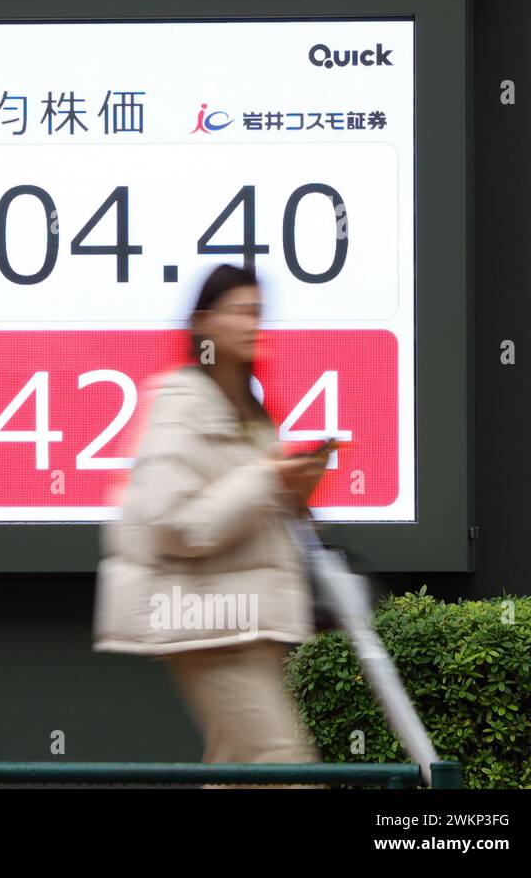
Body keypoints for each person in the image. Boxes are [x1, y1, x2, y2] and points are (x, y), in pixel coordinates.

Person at [93, 264, 326, 771]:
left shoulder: (247, 409)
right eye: (240, 311)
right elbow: (174, 523)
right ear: (203, 322)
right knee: (284, 768)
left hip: (243, 626)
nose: (252, 323)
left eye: (258, 312)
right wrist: (266, 479)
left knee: (236, 771)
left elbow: (243, 514)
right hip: (209, 626)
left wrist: (291, 493)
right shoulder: (182, 403)